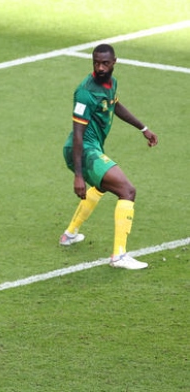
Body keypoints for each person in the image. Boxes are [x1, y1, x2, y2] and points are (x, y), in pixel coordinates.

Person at [59, 43, 158, 270]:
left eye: (105, 63)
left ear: (114, 62)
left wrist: (143, 128)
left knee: (105, 185)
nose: (100, 67)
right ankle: (119, 256)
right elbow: (77, 135)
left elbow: (115, 105)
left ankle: (70, 234)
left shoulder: (111, 84)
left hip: (92, 148)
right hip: (83, 149)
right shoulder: (85, 92)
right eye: (96, 62)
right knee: (127, 190)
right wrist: (78, 176)